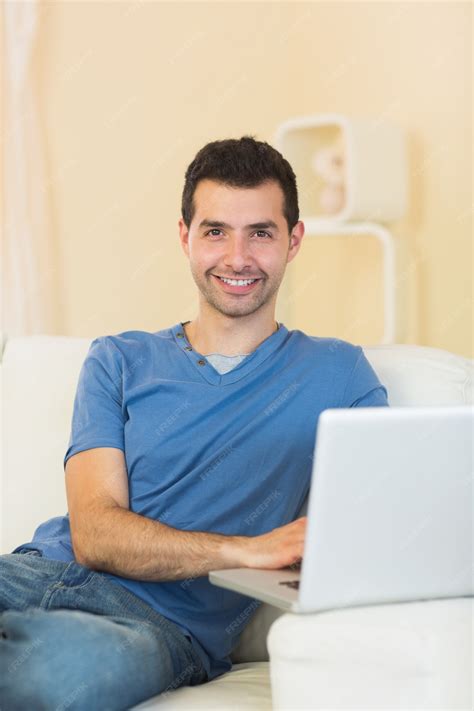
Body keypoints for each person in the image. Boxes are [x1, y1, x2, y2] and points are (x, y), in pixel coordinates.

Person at [0, 135, 389, 710]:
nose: (237, 257)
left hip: (159, 626)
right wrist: (245, 549)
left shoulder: (340, 373)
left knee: (47, 679)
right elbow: (95, 535)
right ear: (185, 237)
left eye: (260, 232)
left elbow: (374, 525)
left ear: (293, 240)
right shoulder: (118, 359)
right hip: (33, 573)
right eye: (215, 231)